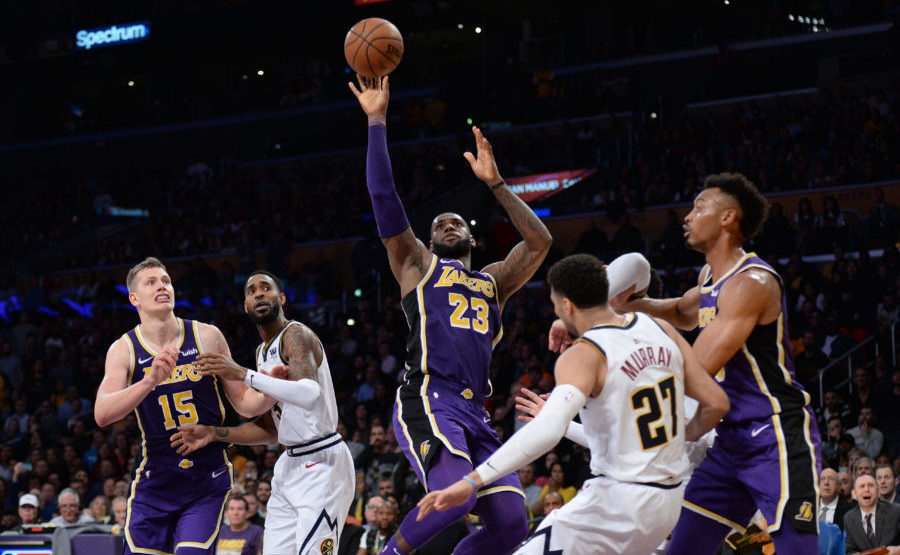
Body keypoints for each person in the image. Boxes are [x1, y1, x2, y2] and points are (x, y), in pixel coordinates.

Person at [349, 74, 553, 555]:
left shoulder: (493, 281)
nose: (446, 224)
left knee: (510, 524)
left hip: (476, 411)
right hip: (428, 397)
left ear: (473, 239)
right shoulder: (417, 264)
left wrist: (498, 185)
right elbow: (384, 199)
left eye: (457, 222)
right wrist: (377, 121)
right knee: (455, 503)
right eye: (440, 223)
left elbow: (540, 243)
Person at [416, 254, 729, 554]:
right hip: (670, 503)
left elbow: (546, 432)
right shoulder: (661, 330)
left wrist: (472, 481)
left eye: (555, 305)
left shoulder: (582, 354)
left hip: (619, 501)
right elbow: (716, 403)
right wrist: (681, 434)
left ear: (566, 306)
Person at [619, 173, 822, 554]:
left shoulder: (752, 283)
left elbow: (694, 369)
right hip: (731, 442)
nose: (687, 216)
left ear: (728, 218)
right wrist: (625, 308)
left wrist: (612, 358)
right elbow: (681, 310)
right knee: (684, 548)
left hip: (775, 434)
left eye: (699, 207)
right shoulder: (711, 276)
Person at [95, 257, 275, 554]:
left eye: (166, 280)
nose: (162, 286)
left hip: (205, 479)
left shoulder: (206, 336)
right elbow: (102, 414)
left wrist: (271, 387)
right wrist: (149, 380)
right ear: (134, 298)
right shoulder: (123, 349)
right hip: (156, 480)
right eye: (151, 283)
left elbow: (245, 403)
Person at [171, 271, 355, 555]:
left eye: (266, 288)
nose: (258, 293)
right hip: (289, 463)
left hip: (322, 461)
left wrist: (243, 374)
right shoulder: (262, 351)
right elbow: (270, 430)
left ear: (281, 298)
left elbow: (309, 393)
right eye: (251, 291)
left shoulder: (296, 334)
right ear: (245, 306)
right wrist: (214, 433)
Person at [843, 474, 900, 554]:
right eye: (862, 486)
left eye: (871, 486)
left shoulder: (896, 511)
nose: (867, 490)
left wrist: (898, 550)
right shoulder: (849, 518)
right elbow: (850, 550)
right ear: (854, 494)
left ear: (878, 491)